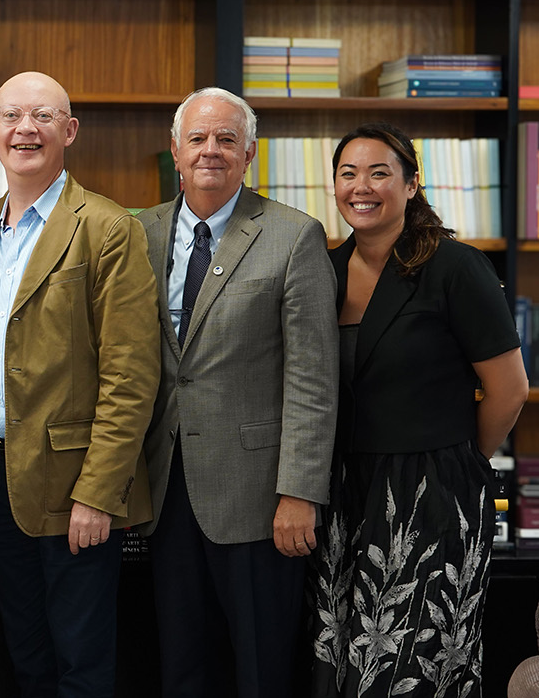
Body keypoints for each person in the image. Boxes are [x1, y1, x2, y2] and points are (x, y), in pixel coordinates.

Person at [0, 71, 160, 697]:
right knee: (27, 655)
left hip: (73, 485)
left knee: (81, 662)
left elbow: (131, 376)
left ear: (69, 131)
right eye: (11, 115)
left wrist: (99, 494)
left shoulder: (109, 228)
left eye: (43, 116)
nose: (25, 129)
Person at [134, 86, 339, 697]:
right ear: (175, 150)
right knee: (180, 664)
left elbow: (313, 378)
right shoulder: (136, 232)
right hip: (164, 488)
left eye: (227, 139)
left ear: (250, 153)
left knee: (260, 667)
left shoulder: (294, 236)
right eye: (197, 138)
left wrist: (299, 493)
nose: (210, 151)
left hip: (258, 499)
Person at [309, 123, 527, 697]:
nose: (363, 186)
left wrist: (452, 460)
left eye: (380, 172)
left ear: (410, 185)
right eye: (348, 174)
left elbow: (508, 390)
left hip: (434, 494)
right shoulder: (322, 273)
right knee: (341, 664)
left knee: (411, 668)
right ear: (333, 186)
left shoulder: (457, 267)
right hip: (343, 493)